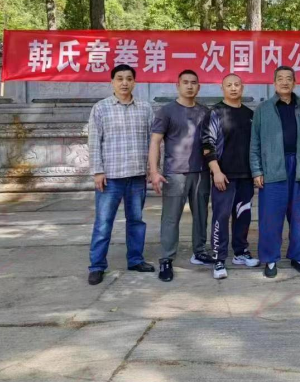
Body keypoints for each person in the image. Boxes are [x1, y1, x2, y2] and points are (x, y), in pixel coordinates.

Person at [87, 64, 155, 286]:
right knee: (103, 223)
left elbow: (153, 142)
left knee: (136, 221)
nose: (124, 82)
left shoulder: (145, 108)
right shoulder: (101, 108)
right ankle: (97, 266)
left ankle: (135, 260)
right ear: (112, 82)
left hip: (137, 176)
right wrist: (98, 171)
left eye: (128, 78)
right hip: (110, 178)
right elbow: (94, 142)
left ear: (134, 82)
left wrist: (153, 169)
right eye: (119, 78)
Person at [149, 70, 212, 282]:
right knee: (171, 218)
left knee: (201, 215)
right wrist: (154, 171)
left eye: (194, 83)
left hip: (201, 172)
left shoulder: (205, 112)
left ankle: (200, 251)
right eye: (185, 82)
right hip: (175, 173)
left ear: (199, 87)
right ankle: (166, 259)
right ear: (178, 85)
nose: (190, 86)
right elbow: (155, 141)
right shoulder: (166, 111)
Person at [250, 66, 300, 278]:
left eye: (289, 79)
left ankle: (297, 256)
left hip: (298, 166)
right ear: (274, 83)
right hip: (272, 168)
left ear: (295, 83)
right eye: (280, 79)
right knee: (270, 217)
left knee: (299, 216)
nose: (285, 82)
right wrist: (257, 170)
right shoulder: (263, 109)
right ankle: (270, 258)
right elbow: (255, 142)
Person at [202, 73, 260, 280]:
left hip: (246, 176)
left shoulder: (250, 114)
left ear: (242, 88)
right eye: (229, 85)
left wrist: (256, 172)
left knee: (243, 216)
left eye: (237, 85)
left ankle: (240, 252)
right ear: (223, 88)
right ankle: (219, 259)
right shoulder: (215, 113)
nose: (234, 88)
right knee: (221, 217)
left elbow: (255, 145)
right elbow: (207, 144)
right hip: (223, 176)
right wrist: (216, 171)